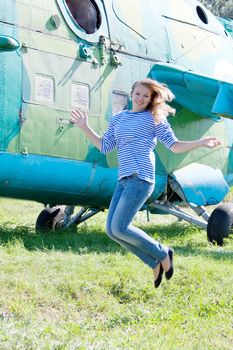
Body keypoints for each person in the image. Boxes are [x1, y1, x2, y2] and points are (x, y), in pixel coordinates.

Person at [70, 78, 222, 288]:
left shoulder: (153, 119)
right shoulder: (118, 119)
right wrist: (84, 126)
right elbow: (104, 146)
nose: (141, 98)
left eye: (146, 95)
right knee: (112, 230)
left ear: (152, 99)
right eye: (138, 93)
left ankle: (163, 252)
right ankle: (154, 262)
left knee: (120, 227)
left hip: (141, 178)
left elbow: (174, 146)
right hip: (124, 178)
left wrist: (201, 142)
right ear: (131, 94)